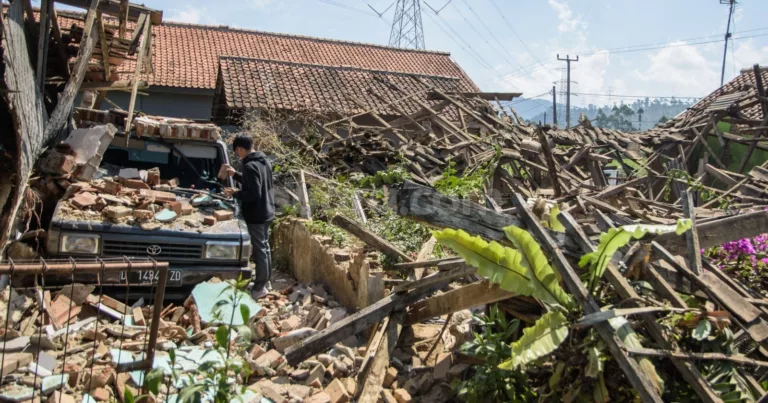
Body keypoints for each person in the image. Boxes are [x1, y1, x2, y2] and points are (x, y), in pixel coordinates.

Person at [223, 134, 274, 299]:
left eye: (237, 152)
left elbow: (254, 193)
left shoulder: (249, 165)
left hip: (256, 214)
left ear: (239, 149)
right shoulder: (263, 160)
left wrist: (236, 193)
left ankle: (259, 288)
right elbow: (254, 181)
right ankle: (265, 281)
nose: (238, 155)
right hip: (267, 210)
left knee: (260, 250)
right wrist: (235, 174)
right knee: (265, 248)